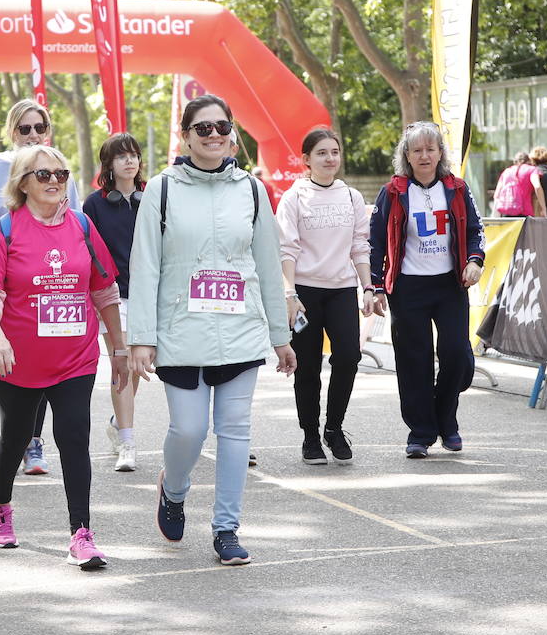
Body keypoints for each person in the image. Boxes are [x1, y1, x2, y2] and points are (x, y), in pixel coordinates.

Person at [128, 93, 296, 566]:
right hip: (181, 329)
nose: (215, 136)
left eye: (223, 127)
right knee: (189, 429)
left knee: (236, 431)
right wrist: (141, 338)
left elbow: (265, 263)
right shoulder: (160, 190)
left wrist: (280, 336)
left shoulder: (251, 189)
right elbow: (144, 267)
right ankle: (174, 489)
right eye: (204, 128)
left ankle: (227, 528)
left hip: (240, 327)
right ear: (185, 136)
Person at [0, 143, 126, 569]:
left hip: (76, 355)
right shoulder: (4, 230)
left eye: (61, 173)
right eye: (44, 174)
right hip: (18, 359)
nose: (55, 180)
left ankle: (81, 533)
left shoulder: (81, 224)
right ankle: (1, 504)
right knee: (17, 436)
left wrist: (120, 345)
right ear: (23, 183)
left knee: (74, 437)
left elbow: (104, 289)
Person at [0, 99, 81, 475]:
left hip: (52, 283)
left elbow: (76, 222)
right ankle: (18, 439)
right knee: (17, 372)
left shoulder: (58, 165)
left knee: (51, 360)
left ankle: (35, 444)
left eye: (39, 128)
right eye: (25, 128)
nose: (33, 135)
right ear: (11, 131)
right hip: (10, 282)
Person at [368, 121, 485, 459]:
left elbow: (476, 231)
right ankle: (420, 432)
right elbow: (375, 241)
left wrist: (475, 261)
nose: (424, 155)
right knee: (413, 361)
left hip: (450, 285)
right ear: (407, 155)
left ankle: (446, 419)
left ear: (439, 154)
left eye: (430, 149)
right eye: (417, 150)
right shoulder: (393, 191)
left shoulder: (457, 188)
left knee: (456, 356)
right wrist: (376, 286)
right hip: (408, 288)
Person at [276, 126, 371, 466]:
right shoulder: (294, 197)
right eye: (322, 153)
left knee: (348, 357)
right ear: (306, 160)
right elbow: (286, 249)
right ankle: (310, 436)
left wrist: (368, 287)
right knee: (307, 367)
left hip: (342, 290)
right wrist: (289, 293)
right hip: (304, 294)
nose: (330, 159)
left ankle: (334, 428)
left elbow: (360, 245)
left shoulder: (351, 197)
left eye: (334, 152)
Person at [81, 133, 144, 472]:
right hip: (112, 296)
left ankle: (118, 421)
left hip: (149, 295)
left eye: (134, 155)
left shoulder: (152, 197)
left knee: (136, 365)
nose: (129, 161)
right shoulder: (94, 204)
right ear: (109, 164)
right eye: (121, 157)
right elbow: (89, 249)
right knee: (122, 362)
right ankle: (128, 443)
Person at [491, 151, 536, 217]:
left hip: (506, 210)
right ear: (528, 161)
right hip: (525, 212)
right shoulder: (530, 170)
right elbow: (537, 187)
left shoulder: (506, 172)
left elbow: (496, 195)